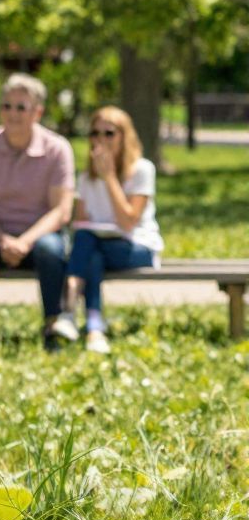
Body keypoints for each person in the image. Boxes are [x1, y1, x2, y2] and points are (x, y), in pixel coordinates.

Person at [0, 74, 74, 347]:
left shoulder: (57, 149)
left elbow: (61, 210)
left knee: (51, 249)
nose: (12, 114)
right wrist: (3, 240)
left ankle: (52, 327)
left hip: (40, 236)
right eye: (6, 106)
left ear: (38, 112)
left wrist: (25, 242)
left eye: (20, 107)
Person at [57, 105, 161, 355]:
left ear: (125, 136)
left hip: (138, 246)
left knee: (89, 245)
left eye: (109, 133)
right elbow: (80, 223)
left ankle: (68, 309)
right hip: (97, 248)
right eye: (95, 133)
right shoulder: (86, 178)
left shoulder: (142, 169)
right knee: (90, 250)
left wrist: (110, 178)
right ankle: (94, 327)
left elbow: (128, 222)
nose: (101, 139)